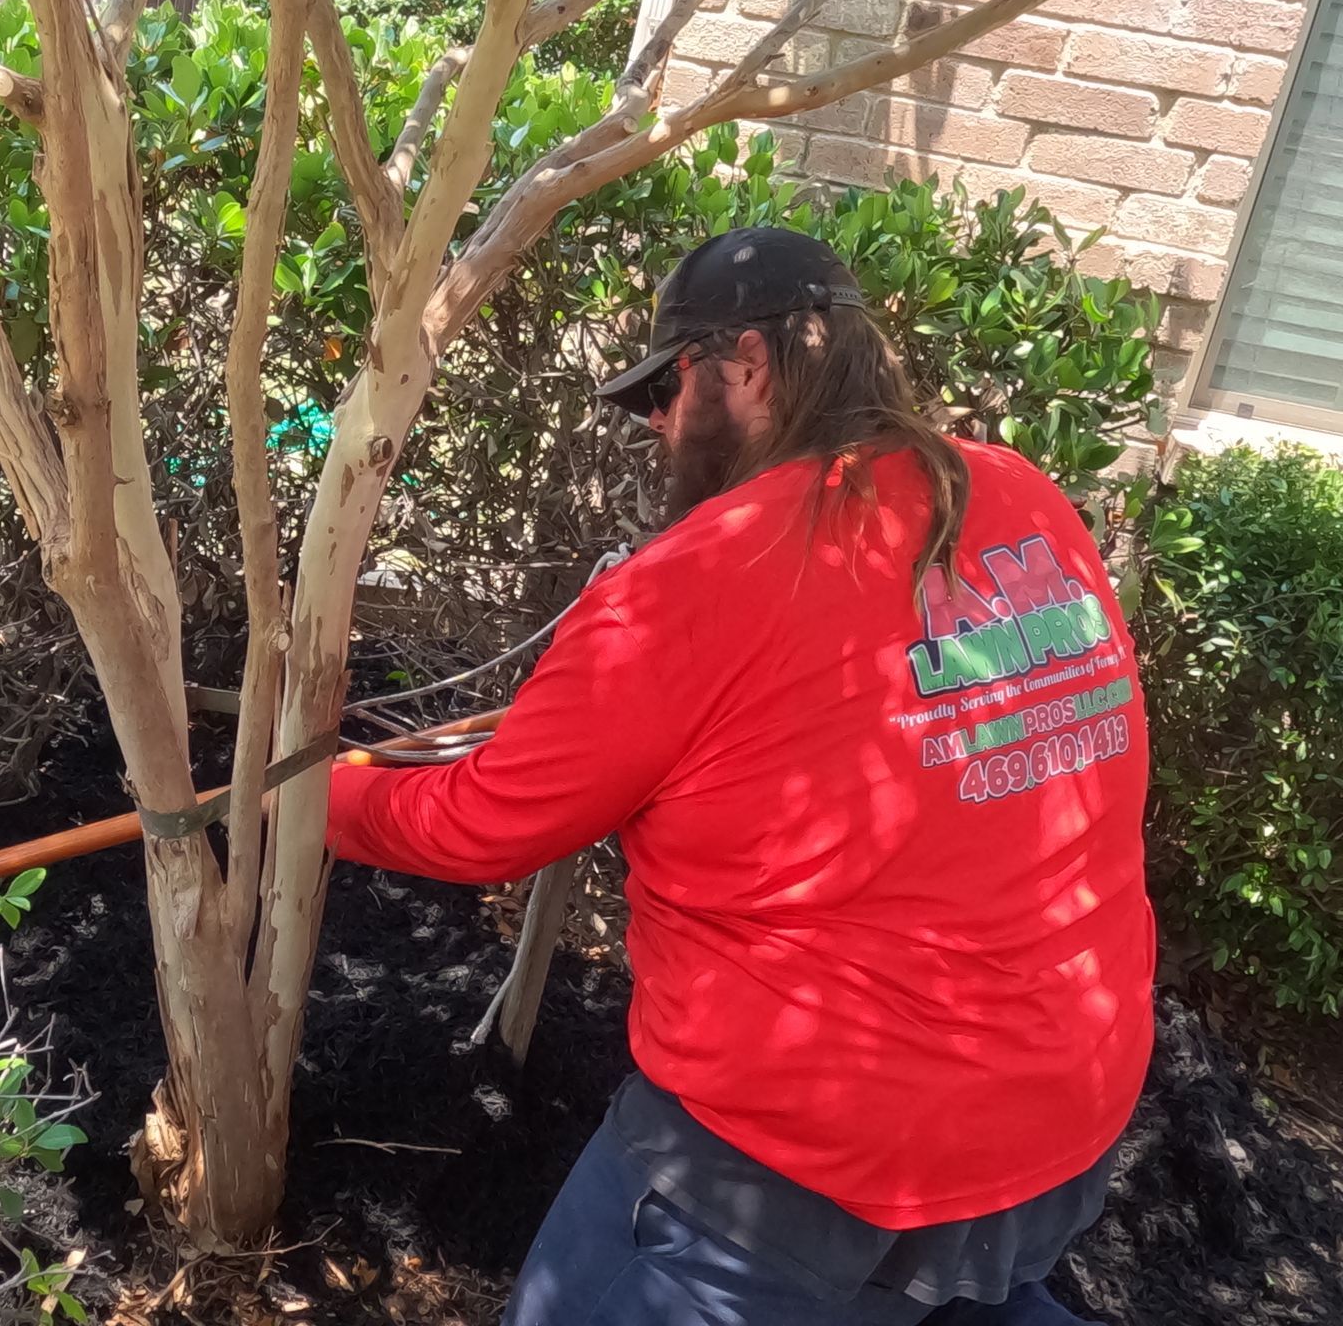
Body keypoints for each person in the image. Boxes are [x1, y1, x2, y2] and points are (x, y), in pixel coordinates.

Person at [325, 227, 1154, 1326]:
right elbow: (900, 700)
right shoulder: (1012, 493)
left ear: (749, 367)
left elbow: (483, 824)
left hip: (810, 1160)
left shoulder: (697, 585)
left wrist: (314, 799)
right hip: (1069, 1102)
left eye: (666, 389)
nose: (659, 424)